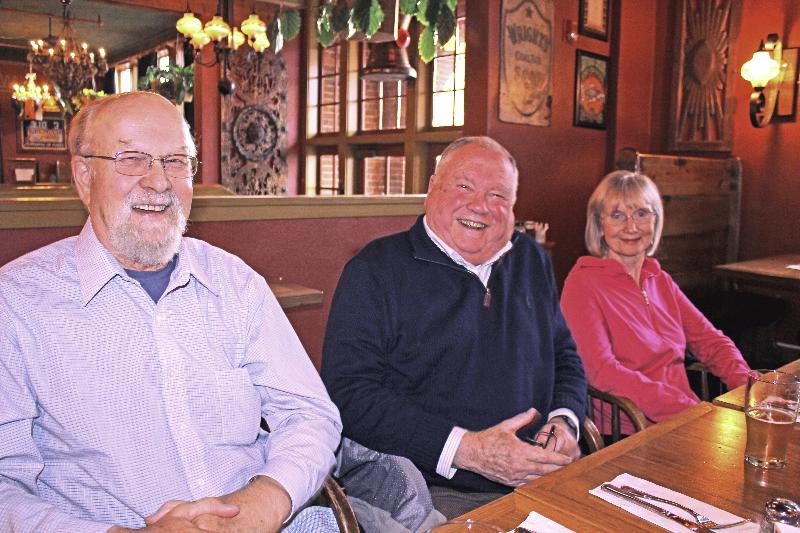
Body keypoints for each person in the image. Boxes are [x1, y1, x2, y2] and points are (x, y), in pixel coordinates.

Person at [0, 92, 342, 533]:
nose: (159, 183)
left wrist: (265, 501)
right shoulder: (16, 303)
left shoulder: (235, 283)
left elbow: (309, 414)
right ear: (84, 176)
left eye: (176, 161)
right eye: (133, 159)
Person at [321, 136, 587, 522]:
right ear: (432, 188)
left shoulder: (530, 259)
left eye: (498, 195)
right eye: (464, 186)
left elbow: (564, 355)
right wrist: (468, 450)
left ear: (513, 208)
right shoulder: (376, 270)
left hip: (545, 477)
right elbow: (349, 394)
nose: (480, 206)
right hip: (434, 491)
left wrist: (565, 421)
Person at [560, 170, 750, 436]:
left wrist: (749, 389)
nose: (631, 226)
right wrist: (689, 410)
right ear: (599, 224)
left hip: (685, 419)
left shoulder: (659, 280)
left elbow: (712, 342)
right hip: (631, 431)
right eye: (617, 216)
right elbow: (601, 372)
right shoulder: (582, 284)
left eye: (641, 214)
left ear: (655, 221)